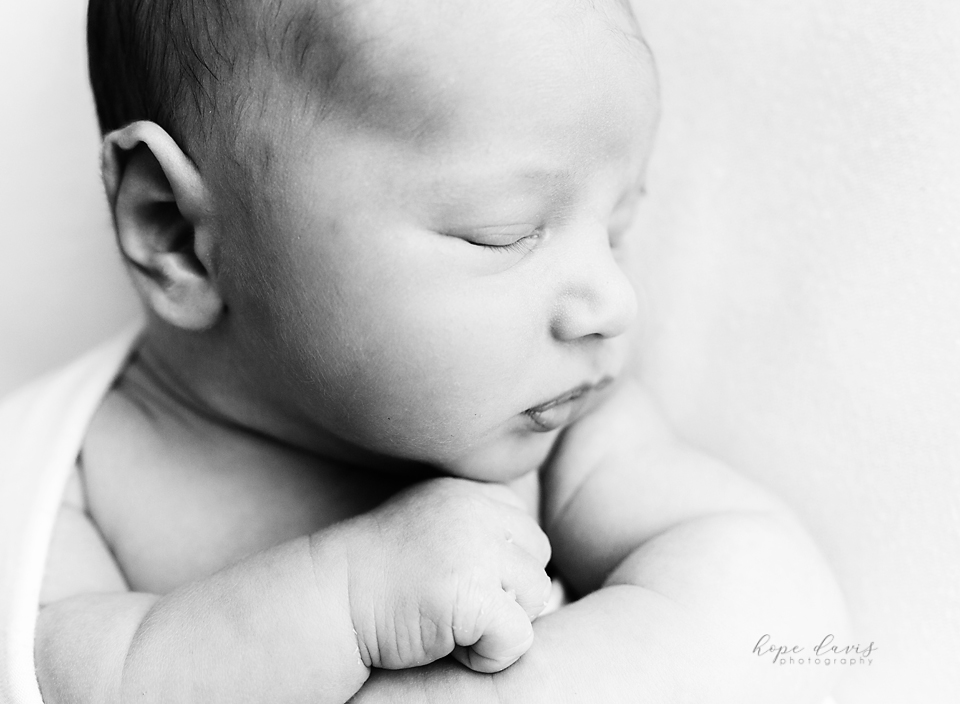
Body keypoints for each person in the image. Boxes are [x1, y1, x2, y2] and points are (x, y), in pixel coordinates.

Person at [0, 0, 850, 701]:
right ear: (177, 233)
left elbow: (778, 610)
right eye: (503, 233)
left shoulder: (566, 436)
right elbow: (63, 681)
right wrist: (342, 601)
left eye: (618, 229)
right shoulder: (56, 482)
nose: (614, 303)